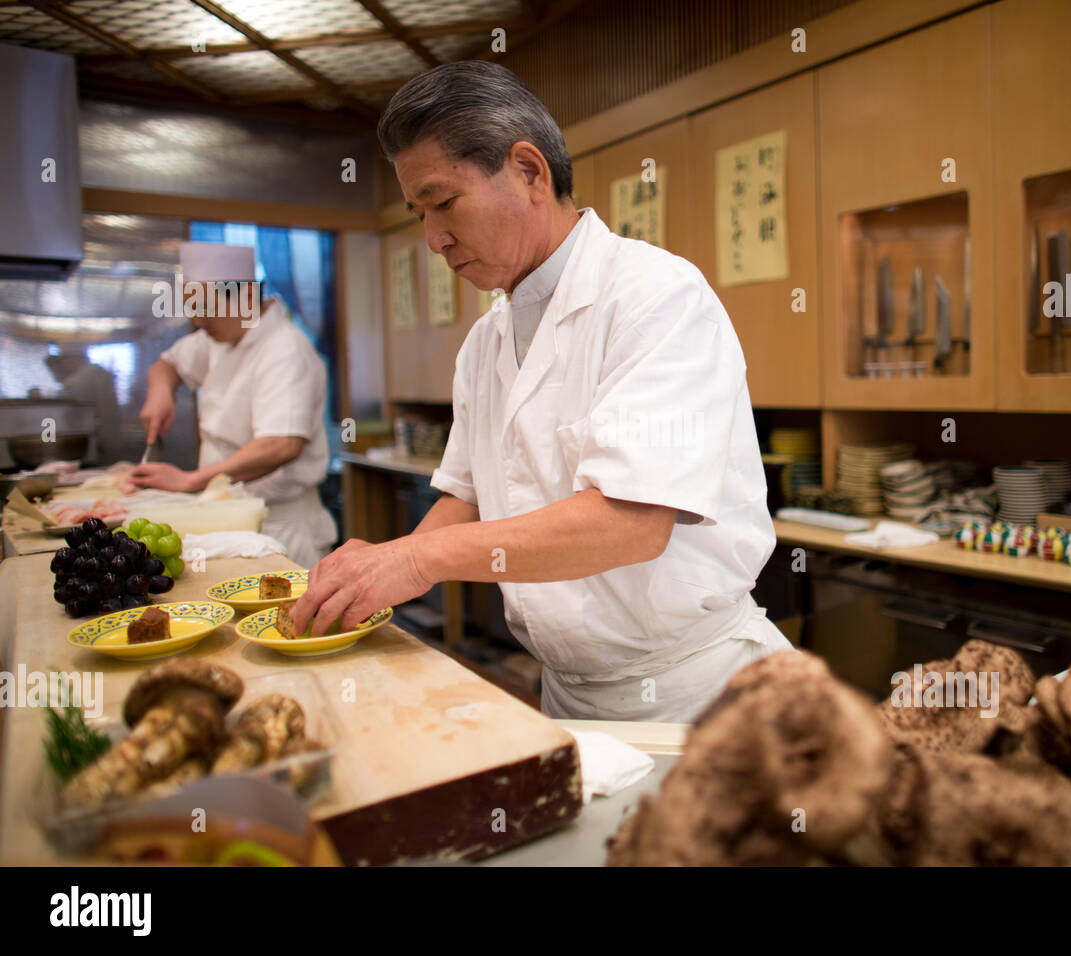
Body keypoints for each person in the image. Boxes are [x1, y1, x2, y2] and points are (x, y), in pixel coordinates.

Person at [292, 61, 792, 721]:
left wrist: (419, 558)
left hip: (693, 694)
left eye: (444, 203)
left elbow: (631, 523)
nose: (434, 239)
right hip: (563, 690)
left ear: (529, 172)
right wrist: (378, 573)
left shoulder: (654, 297)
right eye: (420, 214)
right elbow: (466, 495)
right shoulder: (485, 343)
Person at [132, 242, 337, 567]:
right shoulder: (220, 336)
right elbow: (167, 365)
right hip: (226, 515)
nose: (198, 320)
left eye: (204, 308)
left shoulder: (285, 350)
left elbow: (281, 444)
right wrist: (161, 392)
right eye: (192, 308)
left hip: (277, 525)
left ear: (245, 299)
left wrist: (189, 481)